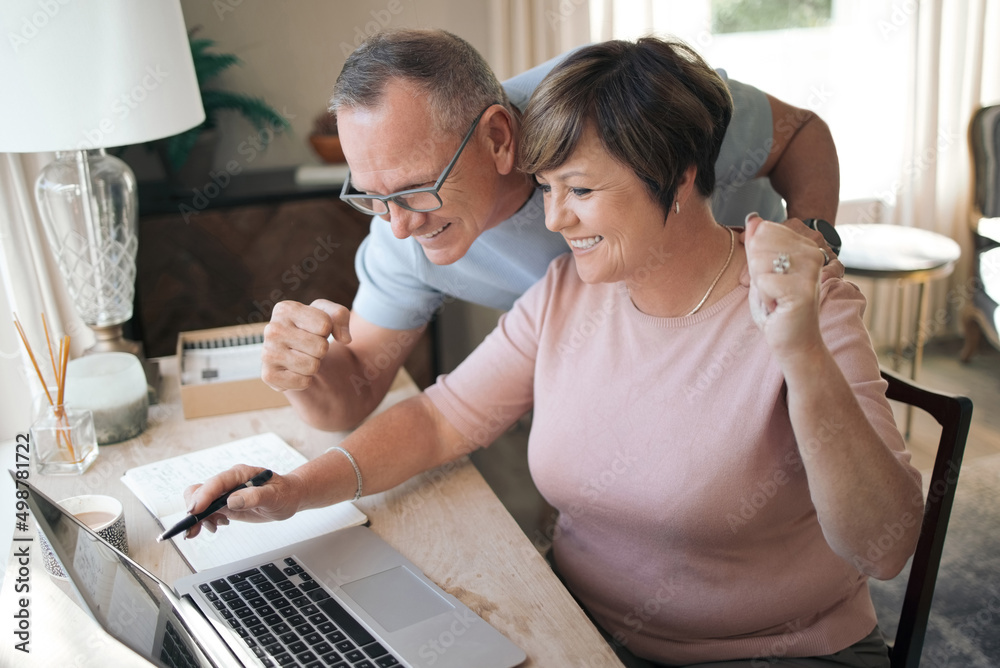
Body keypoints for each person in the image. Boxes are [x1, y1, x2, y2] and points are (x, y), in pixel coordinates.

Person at [188, 37, 922, 667]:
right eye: (545, 188)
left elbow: (882, 550)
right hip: (579, 626)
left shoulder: (803, 304)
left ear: (681, 173)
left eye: (579, 189)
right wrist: (293, 492)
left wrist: (800, 344)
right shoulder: (567, 289)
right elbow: (440, 418)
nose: (554, 217)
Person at [261, 29, 842, 431]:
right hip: (639, 375)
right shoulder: (402, 232)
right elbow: (354, 390)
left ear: (497, 138)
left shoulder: (612, 105)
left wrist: (809, 237)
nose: (401, 225)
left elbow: (800, 133)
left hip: (761, 328)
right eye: (373, 195)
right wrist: (303, 369)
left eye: (416, 188)